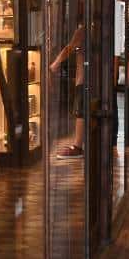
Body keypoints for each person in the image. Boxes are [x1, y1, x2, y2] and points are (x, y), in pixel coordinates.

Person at [50, 24, 86, 159]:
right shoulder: (90, 29)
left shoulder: (83, 30)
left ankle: (77, 146)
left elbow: (69, 48)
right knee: (80, 109)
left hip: (84, 79)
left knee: (80, 110)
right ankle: (78, 144)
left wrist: (55, 64)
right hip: (84, 78)